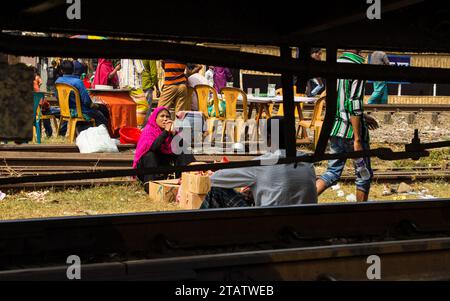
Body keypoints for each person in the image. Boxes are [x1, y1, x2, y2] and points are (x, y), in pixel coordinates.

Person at [200, 116, 318, 208]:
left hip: (270, 228)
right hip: (305, 226)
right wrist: (257, 189)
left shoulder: (262, 164)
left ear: (270, 138)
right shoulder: (307, 162)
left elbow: (214, 179)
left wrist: (253, 186)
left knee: (216, 191)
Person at [315, 50, 379, 203]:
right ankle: (360, 214)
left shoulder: (334, 64)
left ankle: (302, 201)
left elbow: (338, 102)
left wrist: (363, 116)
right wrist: (357, 139)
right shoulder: (358, 66)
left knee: (332, 172)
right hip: (352, 133)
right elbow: (354, 103)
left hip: (336, 129)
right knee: (364, 175)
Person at [133, 107, 195, 192]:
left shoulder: (171, 131)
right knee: (150, 155)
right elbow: (154, 148)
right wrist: (165, 132)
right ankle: (149, 186)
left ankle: (190, 180)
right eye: (162, 116)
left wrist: (174, 134)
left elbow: (184, 147)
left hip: (164, 164)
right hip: (147, 166)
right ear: (155, 118)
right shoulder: (149, 130)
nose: (165, 119)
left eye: (167, 116)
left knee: (184, 152)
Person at [55, 60, 109, 132]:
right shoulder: (78, 82)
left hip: (65, 110)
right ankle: (102, 136)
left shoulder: (58, 81)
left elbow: (57, 96)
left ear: (61, 71)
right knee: (103, 112)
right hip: (81, 111)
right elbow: (87, 102)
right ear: (73, 69)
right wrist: (97, 106)